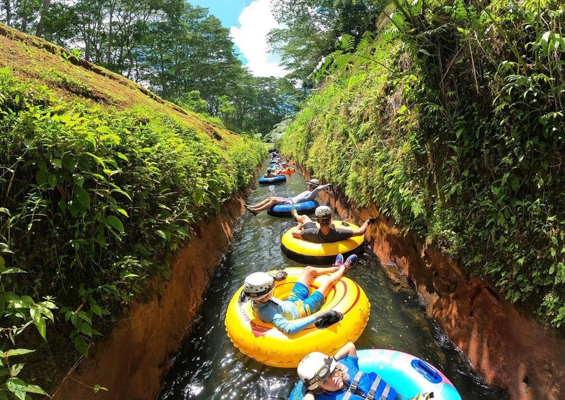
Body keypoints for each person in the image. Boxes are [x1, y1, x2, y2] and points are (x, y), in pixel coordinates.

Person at [243, 254, 358, 335]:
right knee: (328, 282)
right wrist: (319, 316)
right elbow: (290, 329)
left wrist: (274, 277)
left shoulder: (254, 298)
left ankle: (335, 267)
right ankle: (344, 267)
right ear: (267, 294)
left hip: (291, 301)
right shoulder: (268, 313)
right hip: (303, 310)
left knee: (308, 270)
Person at [297, 342, 434, 400]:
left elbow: (350, 346)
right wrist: (309, 393)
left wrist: (333, 359)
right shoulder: (323, 397)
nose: (334, 379)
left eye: (332, 373)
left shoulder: (346, 367)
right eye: (325, 382)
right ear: (319, 387)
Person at [245, 178, 332, 215]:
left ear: (313, 186)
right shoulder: (309, 191)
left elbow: (318, 188)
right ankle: (253, 207)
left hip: (291, 202)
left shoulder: (312, 193)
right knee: (269, 198)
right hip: (289, 199)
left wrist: (327, 184)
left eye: (309, 185)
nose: (308, 185)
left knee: (273, 200)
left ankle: (257, 211)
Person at [291, 206, 374, 243]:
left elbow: (294, 232)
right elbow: (360, 232)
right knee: (332, 226)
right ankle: (297, 216)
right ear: (330, 218)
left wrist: (300, 225)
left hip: (316, 233)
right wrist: (368, 221)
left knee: (304, 217)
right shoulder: (338, 233)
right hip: (329, 230)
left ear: (317, 220)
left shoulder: (310, 232)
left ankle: (295, 215)